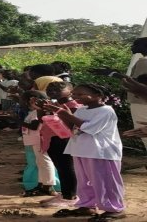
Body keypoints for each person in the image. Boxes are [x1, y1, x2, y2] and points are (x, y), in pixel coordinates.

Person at [48, 83, 125, 220]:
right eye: (74, 94)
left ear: (98, 96)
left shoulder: (106, 111)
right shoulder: (82, 109)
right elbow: (73, 127)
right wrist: (64, 115)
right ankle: (87, 205)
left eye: (80, 94)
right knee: (84, 182)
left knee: (105, 181)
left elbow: (89, 128)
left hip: (101, 152)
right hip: (81, 149)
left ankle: (114, 208)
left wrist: (64, 113)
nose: (76, 97)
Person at [127, 37, 147, 150]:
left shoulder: (143, 61)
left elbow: (135, 83)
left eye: (136, 45)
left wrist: (114, 74)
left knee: (143, 131)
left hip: (141, 102)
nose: (132, 47)